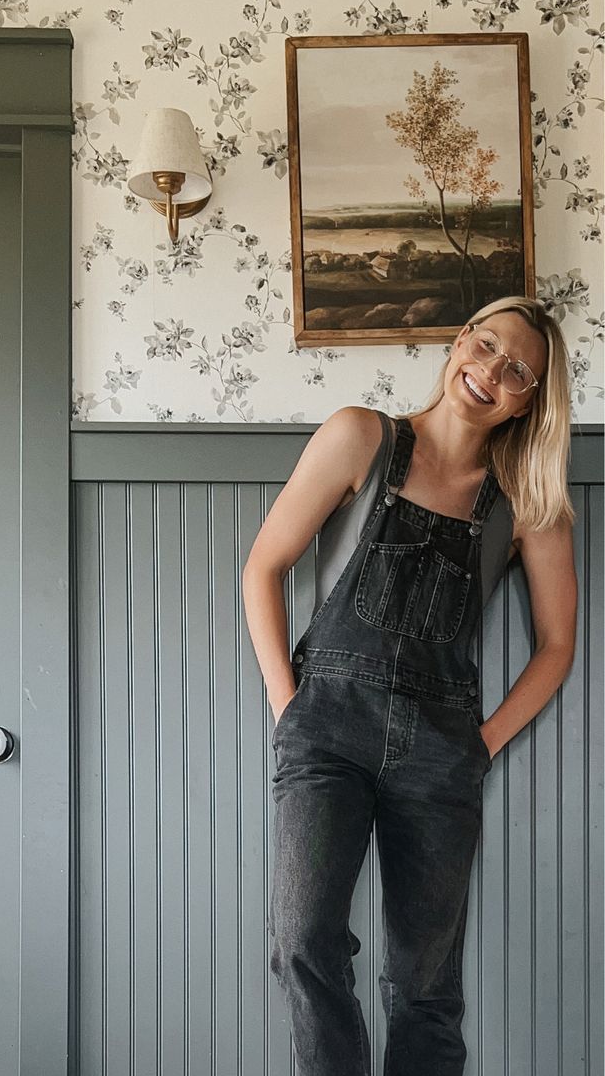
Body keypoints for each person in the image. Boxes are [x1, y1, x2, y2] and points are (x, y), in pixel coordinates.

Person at [242, 295, 578, 1076]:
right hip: (327, 725)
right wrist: (289, 706)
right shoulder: (361, 435)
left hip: (442, 751)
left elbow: (557, 646)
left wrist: (479, 744)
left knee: (425, 983)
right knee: (302, 940)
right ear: (459, 341)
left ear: (532, 398)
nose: (491, 369)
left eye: (517, 368)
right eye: (485, 343)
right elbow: (264, 566)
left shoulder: (528, 503)